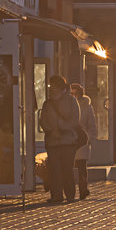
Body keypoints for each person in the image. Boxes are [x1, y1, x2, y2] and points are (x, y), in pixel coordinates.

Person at [38, 75, 81, 203]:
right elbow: (43, 121)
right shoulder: (47, 103)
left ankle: (70, 194)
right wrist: (50, 130)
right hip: (52, 142)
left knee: (67, 168)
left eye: (54, 86)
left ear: (61, 87)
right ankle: (56, 195)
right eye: (51, 86)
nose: (52, 89)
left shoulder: (71, 101)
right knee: (54, 170)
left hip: (68, 142)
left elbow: (75, 120)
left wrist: (61, 129)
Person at [71, 83, 98, 200]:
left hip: (82, 140)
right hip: (71, 139)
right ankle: (72, 191)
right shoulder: (70, 105)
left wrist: (90, 138)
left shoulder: (86, 106)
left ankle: (83, 189)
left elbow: (92, 124)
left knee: (81, 166)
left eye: (75, 93)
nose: (73, 95)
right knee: (72, 167)